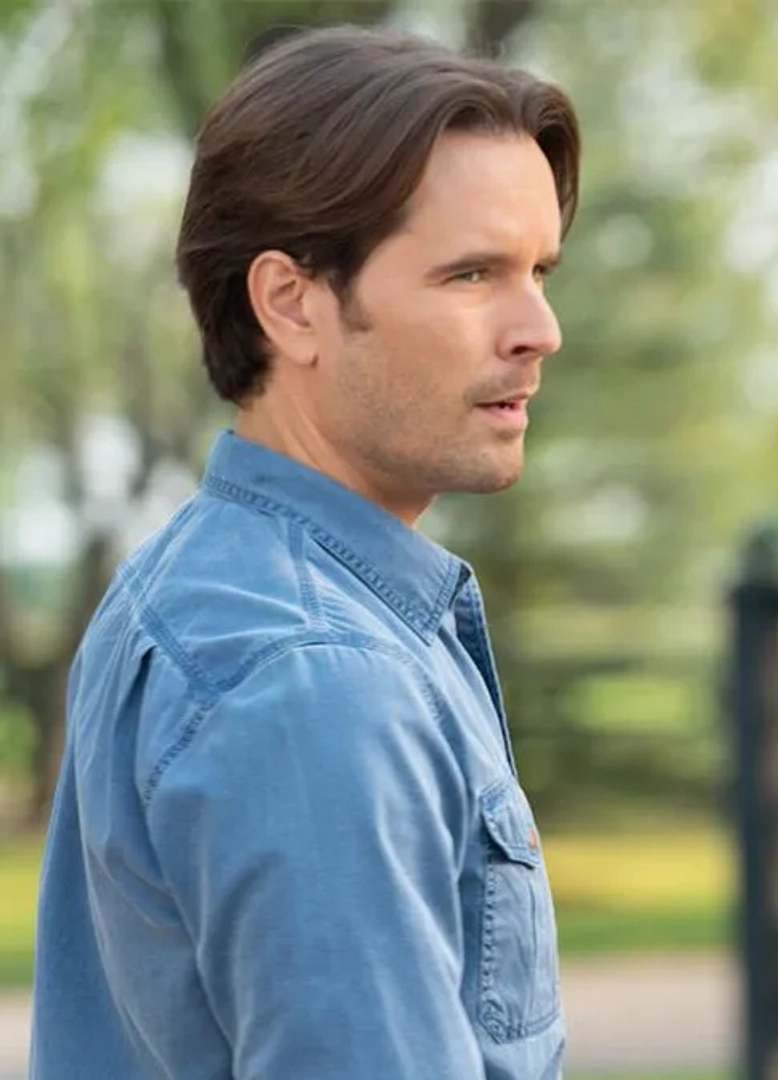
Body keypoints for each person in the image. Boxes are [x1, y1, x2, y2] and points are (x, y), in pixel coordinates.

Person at [30, 24, 579, 1079]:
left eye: (540, 269)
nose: (538, 327)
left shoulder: (192, 588)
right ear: (291, 302)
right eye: (472, 275)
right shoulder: (313, 675)